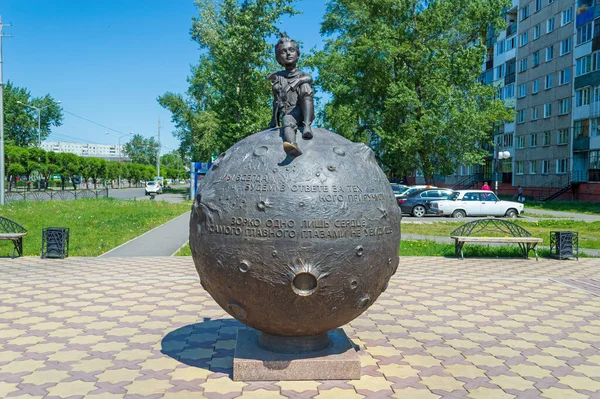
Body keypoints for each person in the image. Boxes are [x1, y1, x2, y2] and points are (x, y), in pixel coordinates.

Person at [268, 33, 315, 157]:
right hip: (290, 114)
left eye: (291, 50)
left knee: (305, 86)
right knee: (287, 121)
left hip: (304, 112)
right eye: (283, 52)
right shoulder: (278, 77)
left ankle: (307, 126)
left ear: (298, 54)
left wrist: (296, 82)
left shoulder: (301, 76)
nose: (288, 54)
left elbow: (309, 78)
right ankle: (292, 145)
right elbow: (276, 101)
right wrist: (274, 120)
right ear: (278, 57)